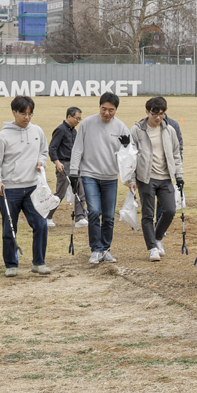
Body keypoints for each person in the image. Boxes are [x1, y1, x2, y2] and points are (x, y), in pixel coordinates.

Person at [0, 95, 51, 277]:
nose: (27, 117)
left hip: (33, 187)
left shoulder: (37, 131)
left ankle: (39, 263)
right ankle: (11, 265)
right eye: (23, 113)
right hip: (9, 189)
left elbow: (43, 152)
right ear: (14, 112)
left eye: (30, 114)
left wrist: (41, 162)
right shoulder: (2, 136)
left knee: (41, 224)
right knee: (9, 228)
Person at [69, 91, 130, 265]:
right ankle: (96, 249)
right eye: (104, 109)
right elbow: (77, 148)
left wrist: (127, 147)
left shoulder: (121, 127)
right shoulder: (87, 124)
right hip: (90, 175)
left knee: (109, 216)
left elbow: (129, 154)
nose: (106, 113)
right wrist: (73, 172)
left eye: (111, 110)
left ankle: (105, 249)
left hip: (110, 177)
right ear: (99, 107)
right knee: (95, 211)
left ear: (116, 110)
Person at [127, 96, 184, 262]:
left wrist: (179, 175)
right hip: (146, 178)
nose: (158, 118)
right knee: (148, 214)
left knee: (170, 210)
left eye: (161, 114)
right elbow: (130, 156)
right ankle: (152, 248)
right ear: (147, 112)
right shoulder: (137, 130)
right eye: (154, 114)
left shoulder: (169, 130)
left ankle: (158, 237)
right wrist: (131, 179)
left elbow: (176, 154)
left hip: (166, 177)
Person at [48, 107, 86, 229]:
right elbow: (52, 148)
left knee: (80, 191)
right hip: (64, 165)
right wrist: (57, 162)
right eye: (77, 118)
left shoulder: (74, 132)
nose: (78, 121)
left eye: (80, 119)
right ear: (69, 116)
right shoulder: (60, 130)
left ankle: (79, 217)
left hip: (75, 165)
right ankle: (47, 216)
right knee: (60, 192)